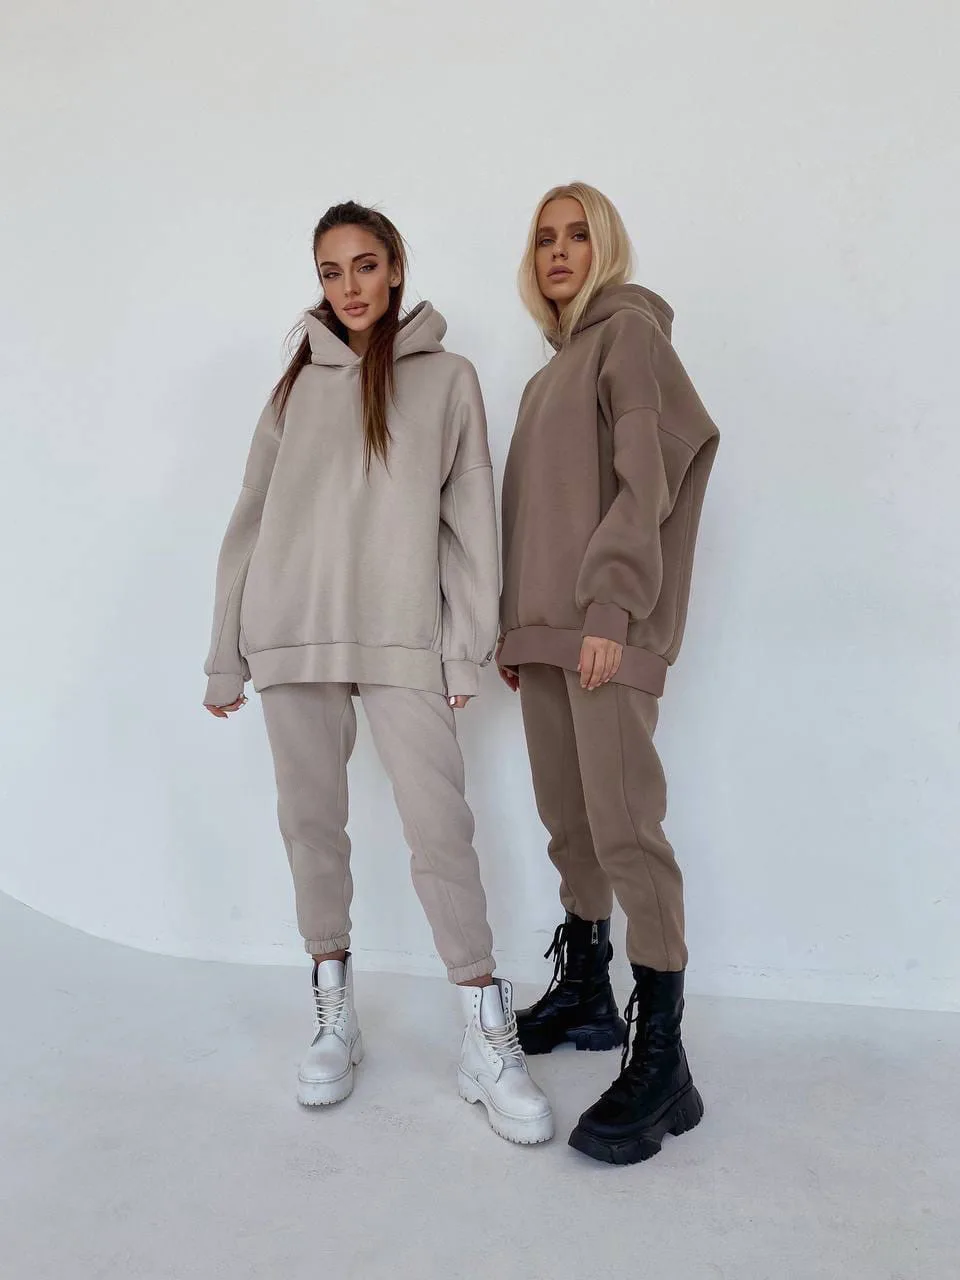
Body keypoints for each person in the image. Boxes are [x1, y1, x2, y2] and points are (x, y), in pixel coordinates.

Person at [203, 201, 553, 1146]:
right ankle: (334, 1015)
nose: (349, 286)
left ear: (395, 266)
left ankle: (485, 1033)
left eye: (364, 265)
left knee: (441, 829)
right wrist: (227, 651)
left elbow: (470, 519)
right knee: (311, 825)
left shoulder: (448, 378)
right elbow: (249, 520)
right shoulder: (292, 389)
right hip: (293, 631)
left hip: (402, 635)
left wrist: (465, 644)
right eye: (330, 271)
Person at [497, 182, 719, 1164]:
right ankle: (588, 991)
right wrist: (518, 627)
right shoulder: (549, 373)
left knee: (628, 828)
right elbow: (534, 511)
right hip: (549, 636)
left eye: (578, 234)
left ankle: (665, 1059)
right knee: (571, 822)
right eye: (545, 237)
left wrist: (612, 608)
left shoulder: (630, 336)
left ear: (608, 247)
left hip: (603, 631)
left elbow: (649, 478)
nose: (558, 250)